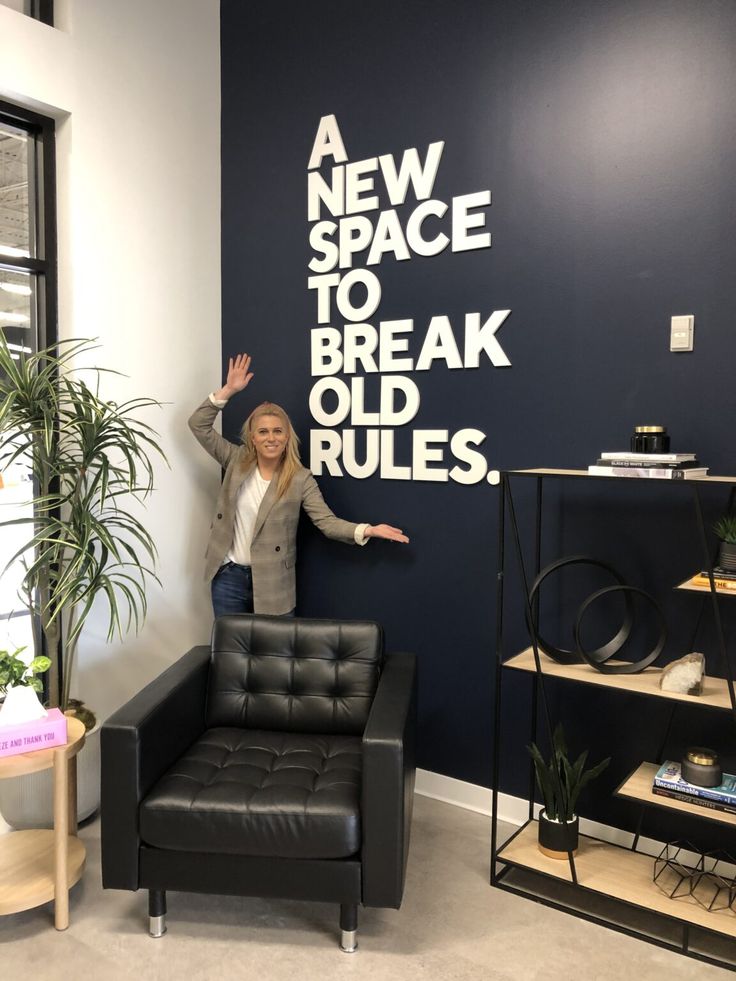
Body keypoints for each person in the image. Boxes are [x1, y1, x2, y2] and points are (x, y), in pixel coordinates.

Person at [189, 352, 409, 617]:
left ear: (286, 437)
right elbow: (198, 425)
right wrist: (228, 390)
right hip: (228, 577)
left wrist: (368, 530)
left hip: (273, 583)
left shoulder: (299, 477)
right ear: (253, 438)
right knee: (229, 653)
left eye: (277, 431)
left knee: (275, 654)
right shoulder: (236, 460)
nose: (271, 438)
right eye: (263, 431)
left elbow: (327, 523)